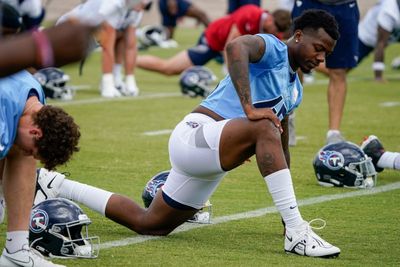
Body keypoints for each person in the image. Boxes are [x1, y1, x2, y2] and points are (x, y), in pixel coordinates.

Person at [35, 9, 341, 258]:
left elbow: (279, 142)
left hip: (209, 157)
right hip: (195, 136)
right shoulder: (273, 47)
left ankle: (55, 183)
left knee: (151, 224)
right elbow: (235, 48)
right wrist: (249, 113)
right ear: (298, 36)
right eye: (318, 49)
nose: (320, 59)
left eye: (326, 54)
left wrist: (283, 208)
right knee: (263, 125)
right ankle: (298, 234)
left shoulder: (295, 89)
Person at [0, 69, 81, 267]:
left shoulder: (35, 96)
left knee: (21, 150)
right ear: (36, 132)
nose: (32, 156)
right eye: (33, 151)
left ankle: (16, 251)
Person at [136, 5, 291, 76]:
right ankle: (131, 60)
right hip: (213, 41)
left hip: (230, 48)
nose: (275, 33)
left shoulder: (274, 32)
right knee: (169, 68)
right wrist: (231, 71)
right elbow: (230, 45)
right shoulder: (251, 13)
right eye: (275, 28)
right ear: (270, 18)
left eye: (279, 32)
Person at [292, 0, 359, 144]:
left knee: (339, 71)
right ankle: (288, 115)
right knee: (295, 60)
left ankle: (334, 133)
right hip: (310, 3)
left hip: (344, 6)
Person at [57, 0, 145, 98]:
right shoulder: (112, 5)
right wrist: (107, 83)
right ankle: (107, 82)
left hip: (90, 34)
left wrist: (130, 80)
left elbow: (130, 45)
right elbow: (107, 46)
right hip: (68, 31)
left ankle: (116, 78)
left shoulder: (136, 8)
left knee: (122, 34)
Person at [357, 0, 400, 82]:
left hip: (393, 34)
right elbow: (380, 43)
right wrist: (378, 76)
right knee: (337, 70)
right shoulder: (389, 11)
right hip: (366, 38)